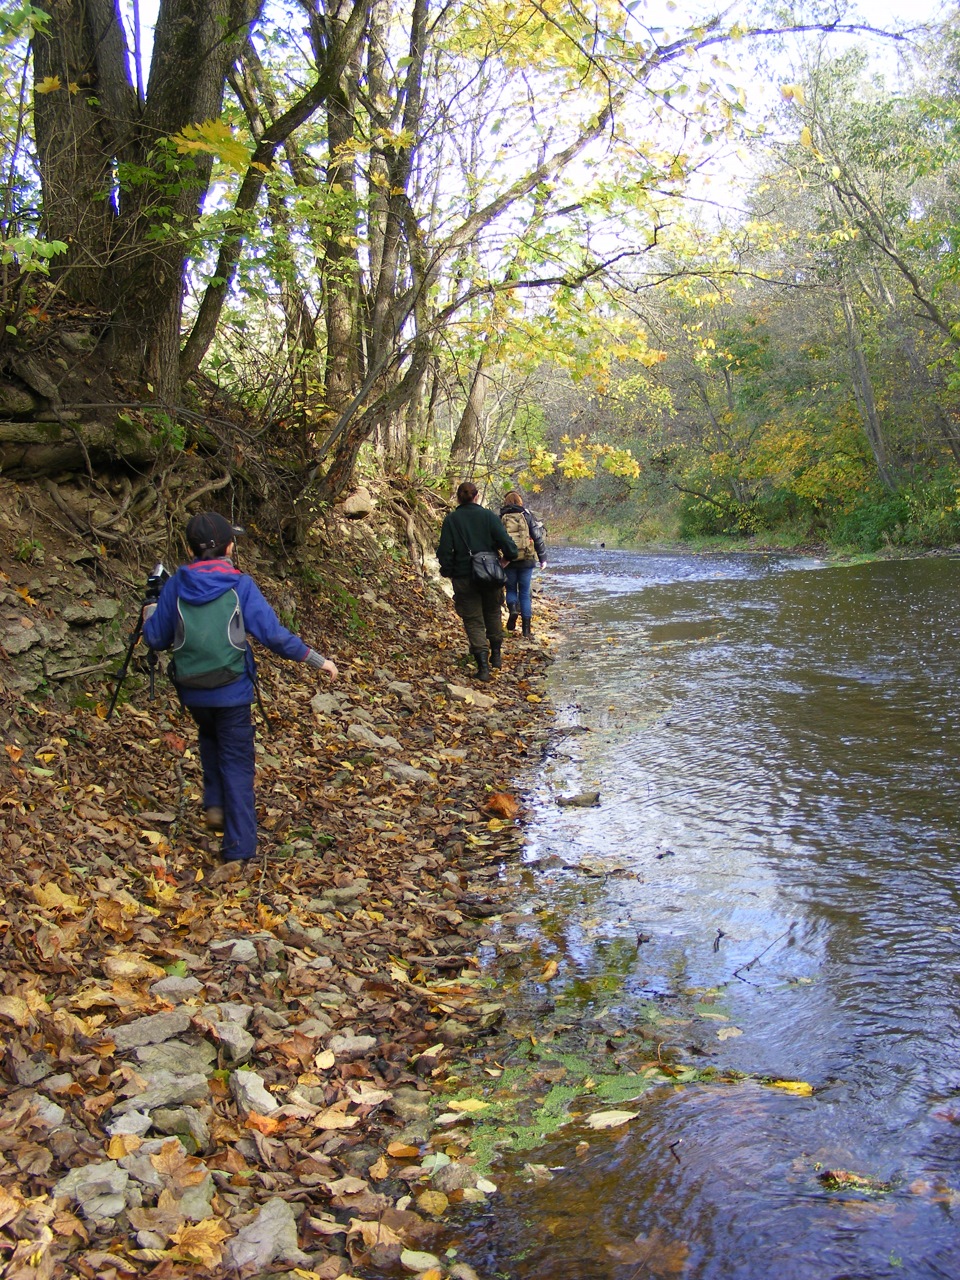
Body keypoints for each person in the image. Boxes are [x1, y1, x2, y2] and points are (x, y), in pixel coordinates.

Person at [143, 511, 338, 866]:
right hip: (232, 688)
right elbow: (273, 635)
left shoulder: (175, 586)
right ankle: (240, 848)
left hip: (192, 689)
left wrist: (149, 609)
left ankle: (215, 803)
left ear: (190, 549)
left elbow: (155, 638)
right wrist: (316, 660)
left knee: (208, 737)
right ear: (229, 546)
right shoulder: (239, 584)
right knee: (237, 761)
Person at [436, 481, 518, 681]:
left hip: (464, 577)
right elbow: (510, 546)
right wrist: (504, 561)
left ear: (458, 498)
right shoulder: (489, 516)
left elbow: (444, 551)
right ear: (476, 496)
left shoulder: (451, 520)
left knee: (473, 620)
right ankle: (496, 656)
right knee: (492, 612)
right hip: (490, 574)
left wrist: (449, 571)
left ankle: (483, 667)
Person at [498, 490, 547, 637]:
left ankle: (513, 610)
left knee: (511, 589)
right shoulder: (526, 515)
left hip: (509, 560)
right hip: (526, 559)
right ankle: (526, 630)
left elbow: (496, 539)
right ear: (520, 501)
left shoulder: (501, 517)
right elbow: (537, 537)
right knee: (525, 594)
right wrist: (543, 558)